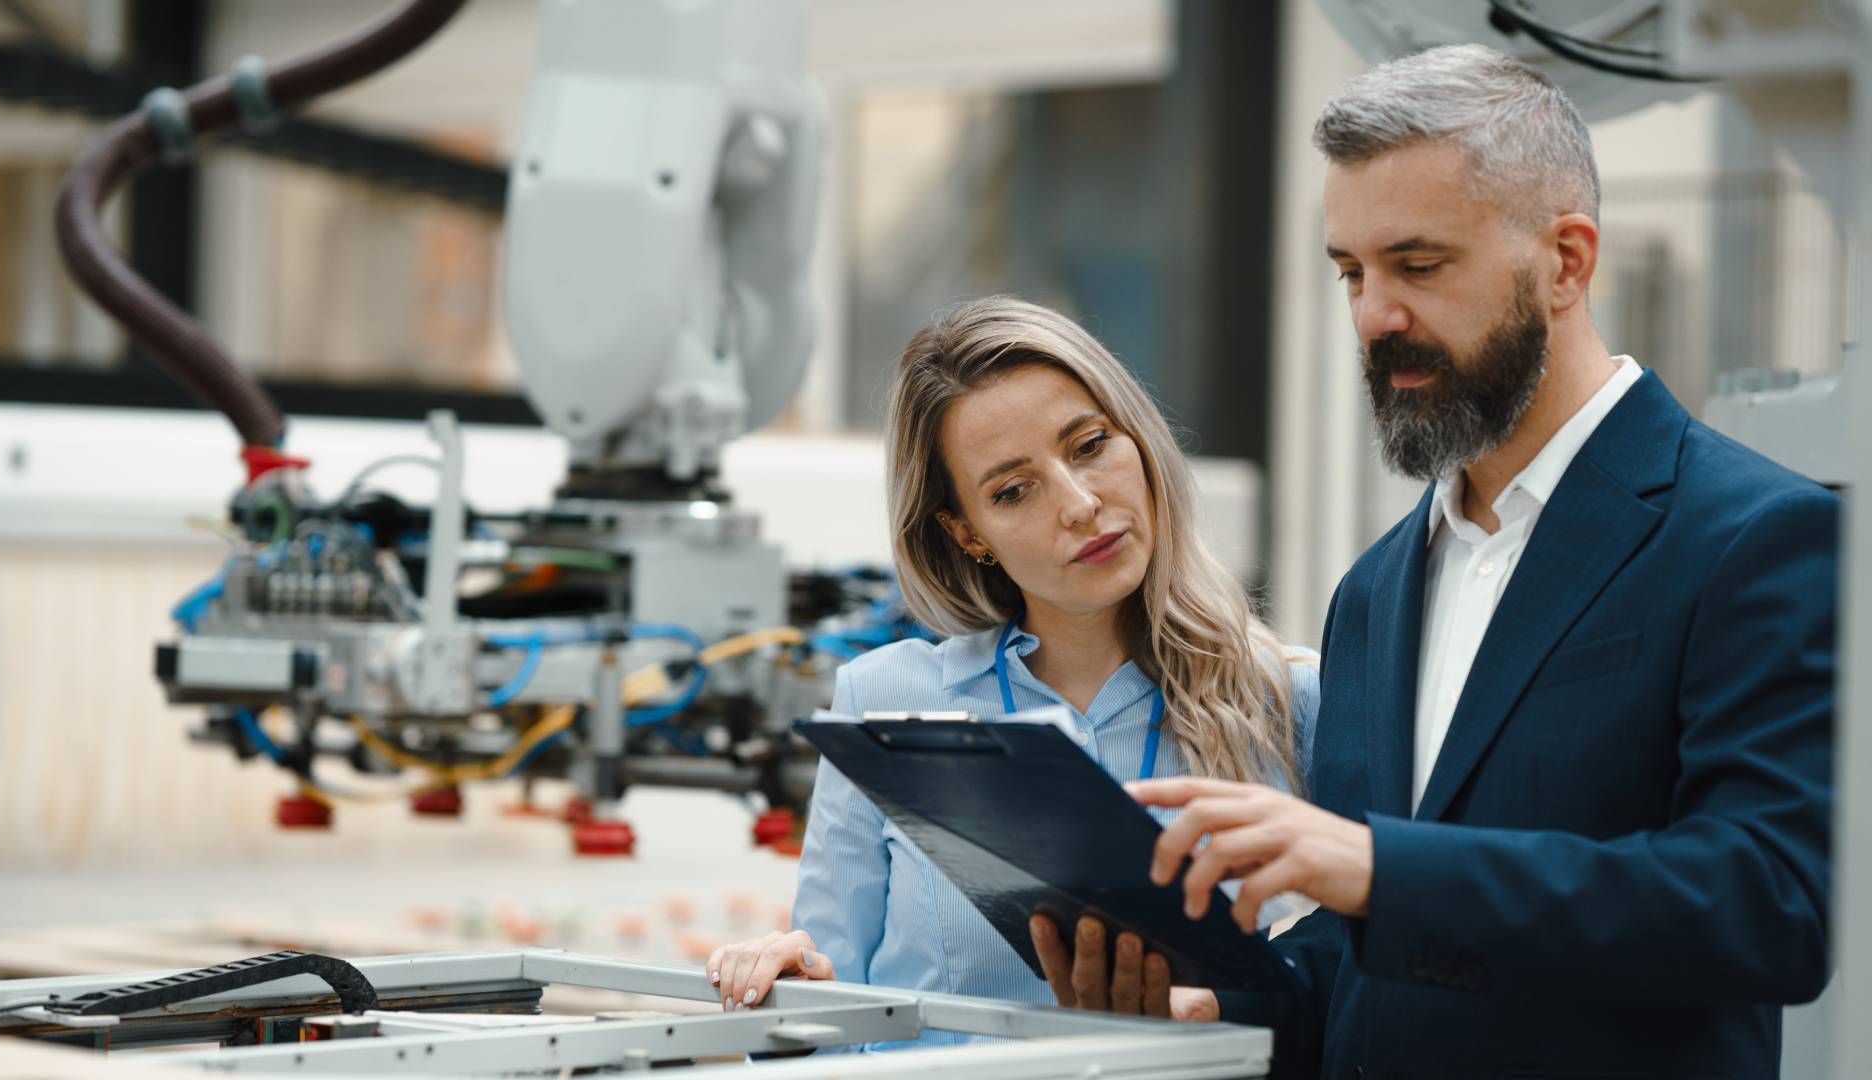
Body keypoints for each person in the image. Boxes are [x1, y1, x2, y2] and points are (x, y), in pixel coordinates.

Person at [1046, 44, 1838, 1078]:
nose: (1375, 315)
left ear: (1566, 260)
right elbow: (1368, 955)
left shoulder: (1752, 535)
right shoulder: (1374, 591)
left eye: (1418, 266)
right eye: (1351, 273)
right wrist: (1218, 1019)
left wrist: (1379, 868)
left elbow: (1770, 900)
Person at [704, 295, 1319, 1046]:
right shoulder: (886, 701)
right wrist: (786, 988)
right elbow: (826, 1015)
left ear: (1139, 439)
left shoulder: (1291, 704)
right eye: (1013, 491)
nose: (1081, 504)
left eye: (1090, 445)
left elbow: (1344, 991)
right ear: (968, 534)